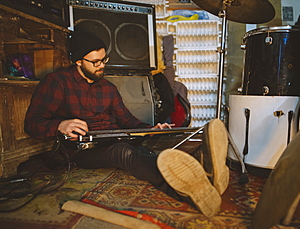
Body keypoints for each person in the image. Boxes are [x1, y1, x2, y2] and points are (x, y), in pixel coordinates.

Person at [24, 31, 229, 217]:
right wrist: (60, 125)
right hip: (82, 150)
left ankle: (204, 171)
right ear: (78, 61)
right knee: (124, 154)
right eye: (95, 62)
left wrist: (152, 129)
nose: (101, 65)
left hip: (115, 136)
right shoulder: (57, 82)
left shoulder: (108, 88)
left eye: (104, 59)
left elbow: (128, 121)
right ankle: (193, 195)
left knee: (153, 150)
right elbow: (32, 124)